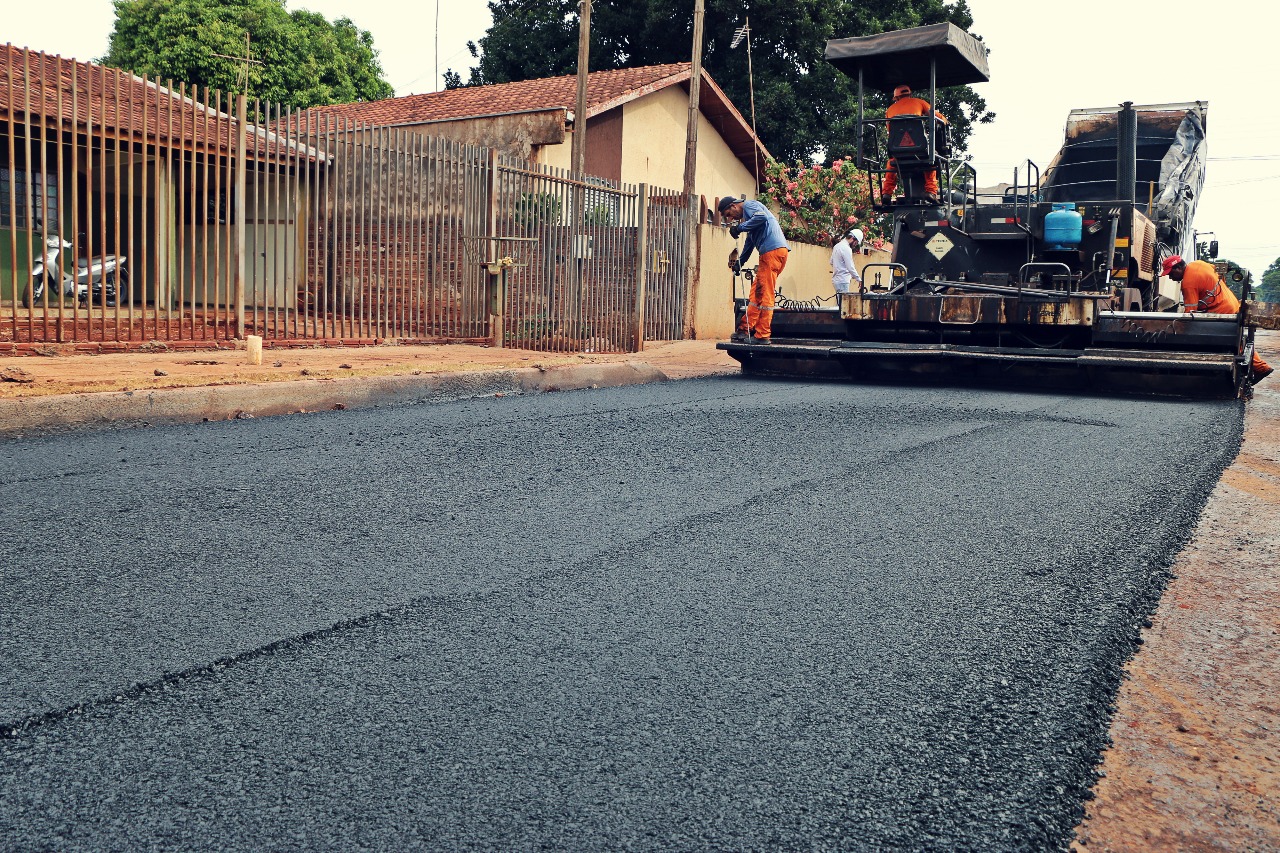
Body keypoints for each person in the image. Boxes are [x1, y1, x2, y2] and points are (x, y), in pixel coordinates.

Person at [1162, 254, 1273, 384]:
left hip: (1222, 311)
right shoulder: (1198, 264)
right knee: (1238, 341)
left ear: (1179, 268)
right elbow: (1219, 274)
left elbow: (1190, 314)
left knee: (1224, 340)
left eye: (1170, 273)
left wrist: (1178, 333)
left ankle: (1260, 368)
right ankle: (1261, 367)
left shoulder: (1188, 283)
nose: (1170, 277)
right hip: (1230, 303)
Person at [719, 194, 789, 344]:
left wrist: (740, 228)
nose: (731, 218)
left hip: (771, 252)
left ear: (733, 206)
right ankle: (745, 329)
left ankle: (763, 335)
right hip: (774, 252)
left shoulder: (750, 205)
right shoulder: (749, 218)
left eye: (729, 214)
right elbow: (750, 242)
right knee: (756, 294)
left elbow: (761, 217)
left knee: (765, 294)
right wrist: (740, 262)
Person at [880, 84, 948, 203]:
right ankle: (931, 192)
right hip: (919, 149)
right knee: (931, 159)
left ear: (896, 98)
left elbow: (890, 131)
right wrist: (945, 121)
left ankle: (886, 194)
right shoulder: (920, 102)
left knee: (891, 163)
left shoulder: (889, 110)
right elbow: (937, 117)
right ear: (910, 94)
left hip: (897, 151)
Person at [831, 228, 863, 296]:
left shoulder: (837, 246)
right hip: (843, 280)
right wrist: (859, 279)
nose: (855, 245)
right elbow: (850, 267)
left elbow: (831, 262)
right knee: (843, 304)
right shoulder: (846, 248)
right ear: (852, 238)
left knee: (839, 302)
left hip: (836, 280)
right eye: (856, 243)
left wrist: (838, 268)